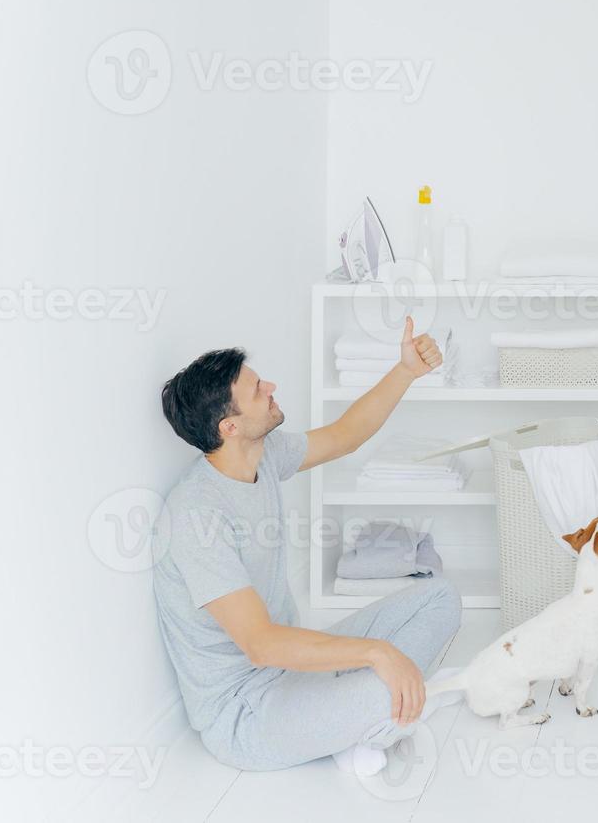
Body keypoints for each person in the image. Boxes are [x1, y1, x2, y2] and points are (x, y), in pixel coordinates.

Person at [153, 318, 462, 776]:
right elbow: (259, 645)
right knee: (387, 686)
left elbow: (344, 436)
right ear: (230, 426)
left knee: (441, 597)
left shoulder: (264, 454)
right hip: (247, 713)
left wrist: (406, 370)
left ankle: (363, 717)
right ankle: (375, 717)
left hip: (295, 671)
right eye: (257, 389)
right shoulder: (197, 516)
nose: (271, 387)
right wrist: (377, 653)